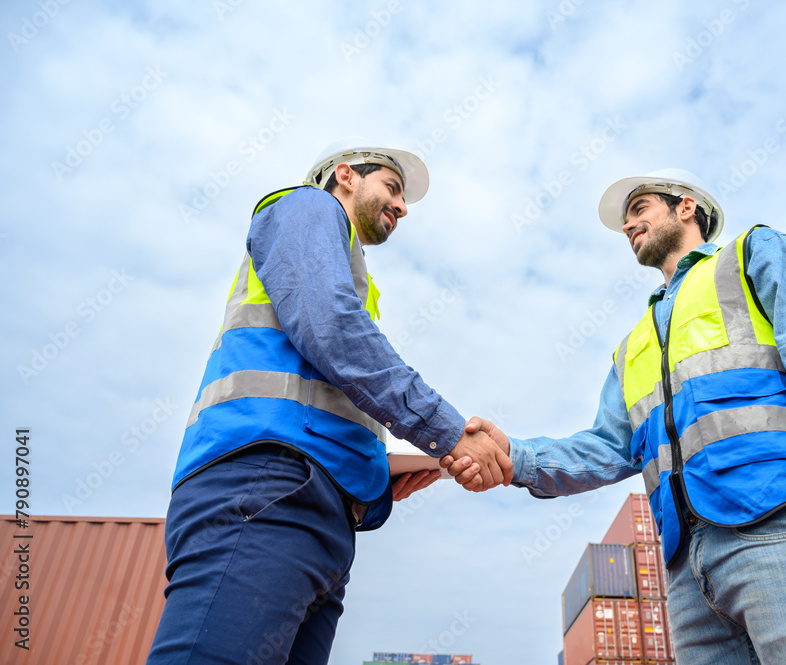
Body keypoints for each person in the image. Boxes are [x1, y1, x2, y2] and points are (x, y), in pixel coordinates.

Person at [443, 169, 786, 664]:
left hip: (785, 534)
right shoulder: (633, 345)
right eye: (626, 219)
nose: (628, 225)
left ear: (685, 207)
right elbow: (606, 447)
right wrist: (514, 457)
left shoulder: (754, 255)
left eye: (639, 208)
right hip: (687, 573)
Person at [146, 139, 512, 665]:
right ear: (345, 175)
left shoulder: (351, 272)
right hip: (265, 486)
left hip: (319, 514)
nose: (403, 206)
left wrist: (399, 469)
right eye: (393, 186)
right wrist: (450, 433)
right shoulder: (306, 207)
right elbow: (332, 328)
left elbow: (319, 399)